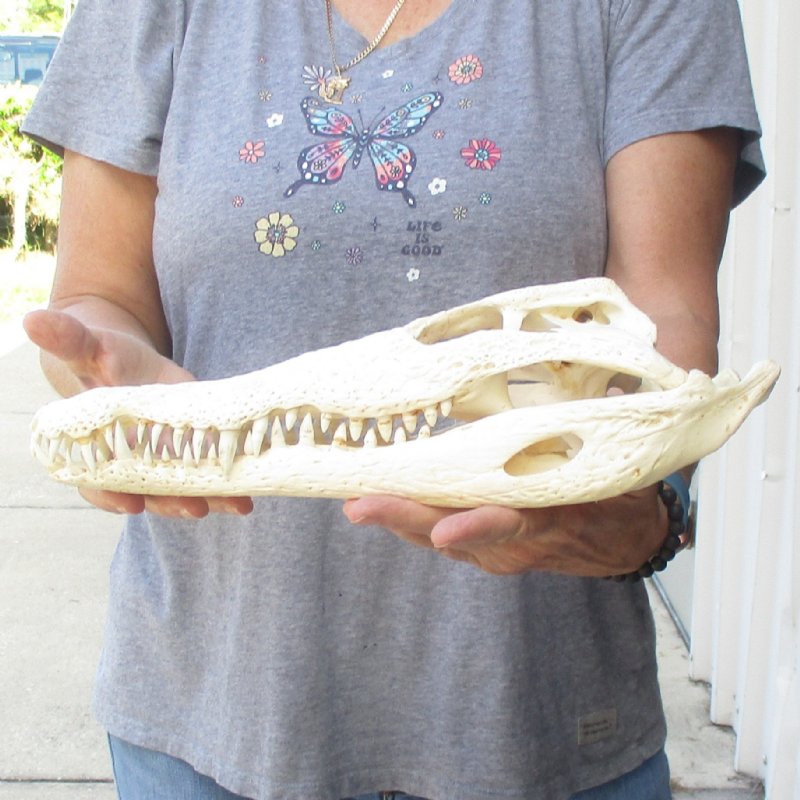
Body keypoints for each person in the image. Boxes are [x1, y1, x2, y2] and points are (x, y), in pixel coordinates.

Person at [21, 0, 765, 797]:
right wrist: (108, 378)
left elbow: (661, 323)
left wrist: (643, 513)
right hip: (207, 722)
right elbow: (100, 295)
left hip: (538, 723)